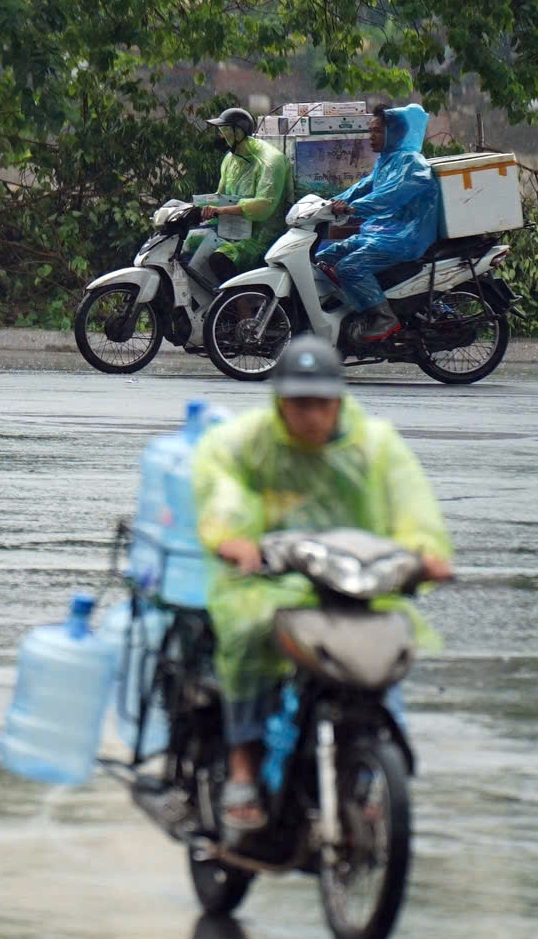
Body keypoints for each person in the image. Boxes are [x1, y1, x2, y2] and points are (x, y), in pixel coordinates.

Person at [191, 335, 454, 832]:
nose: (310, 416)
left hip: (353, 579)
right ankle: (243, 764)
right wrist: (232, 538)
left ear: (338, 401)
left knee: (382, 657)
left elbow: (411, 499)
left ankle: (372, 765)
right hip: (271, 576)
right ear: (279, 403)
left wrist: (425, 552)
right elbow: (220, 482)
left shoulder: (373, 444)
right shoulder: (250, 441)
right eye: (298, 404)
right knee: (249, 633)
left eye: (320, 404)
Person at [316, 103, 442, 343]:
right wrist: (329, 203)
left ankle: (384, 317)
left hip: (404, 237)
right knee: (323, 258)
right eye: (370, 130)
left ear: (393, 133)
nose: (370, 136)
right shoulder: (386, 160)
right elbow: (362, 186)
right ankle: (352, 310)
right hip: (379, 233)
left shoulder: (412, 163)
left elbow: (391, 195)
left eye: (377, 131)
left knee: (349, 268)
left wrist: (355, 208)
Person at [184, 107, 294, 289]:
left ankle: (243, 313)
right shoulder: (230, 159)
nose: (221, 136)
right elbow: (220, 196)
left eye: (225, 130)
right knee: (187, 244)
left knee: (220, 258)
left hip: (259, 237)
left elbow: (263, 207)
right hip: (231, 229)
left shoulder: (270, 161)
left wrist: (221, 210)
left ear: (239, 132)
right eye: (221, 131)